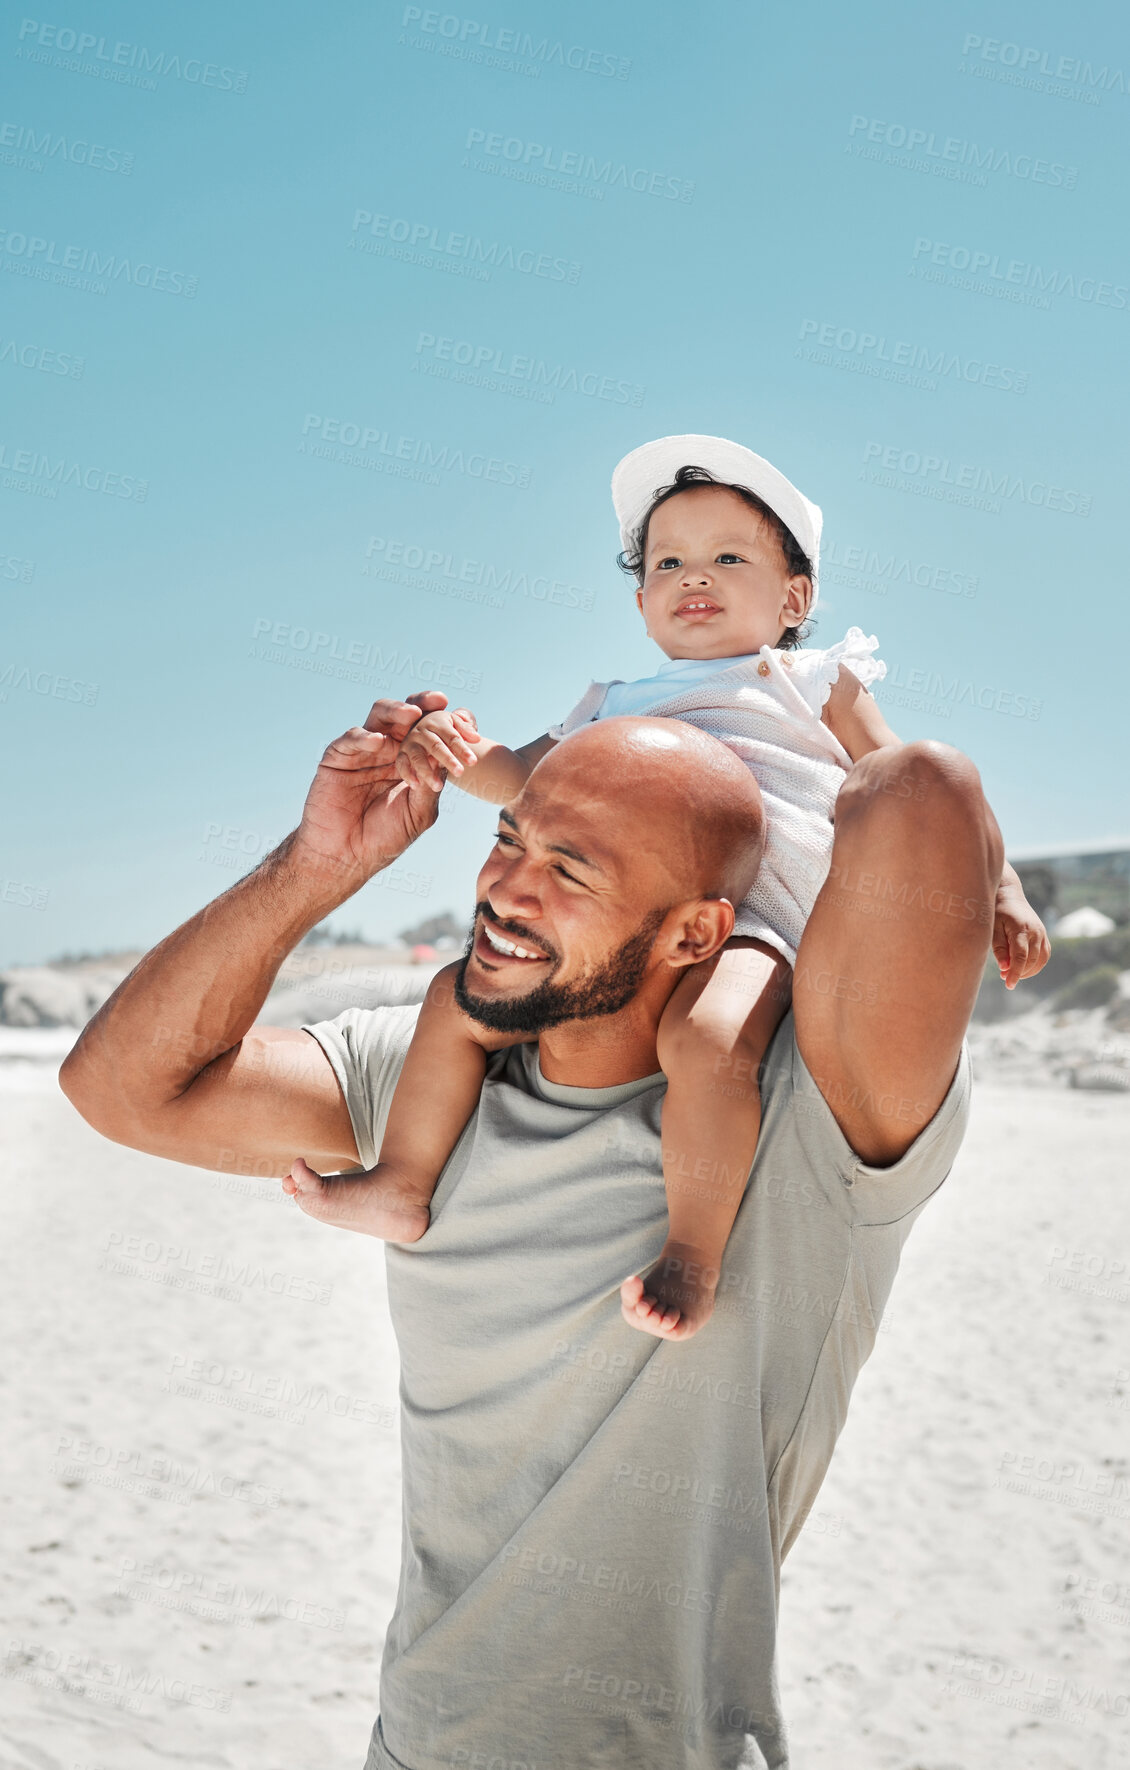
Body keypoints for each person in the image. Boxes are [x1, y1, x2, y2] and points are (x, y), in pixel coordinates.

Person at [61, 692, 1013, 1769]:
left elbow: (919, 795)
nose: (506, 889)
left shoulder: (803, 1125)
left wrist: (815, 737)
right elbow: (121, 1092)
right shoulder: (429, 1075)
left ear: (695, 932)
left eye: (572, 869)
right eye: (510, 838)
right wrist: (315, 867)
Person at [289, 436, 1048, 1341]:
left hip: (759, 921)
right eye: (670, 561)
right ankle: (404, 1182)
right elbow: (525, 774)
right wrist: (456, 751)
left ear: (794, 598)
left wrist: (1002, 888)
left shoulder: (807, 679)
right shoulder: (613, 703)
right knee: (453, 998)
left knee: (709, 1037)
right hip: (634, 924)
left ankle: (692, 1250)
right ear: (642, 597)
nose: (698, 575)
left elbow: (917, 789)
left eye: (731, 557)